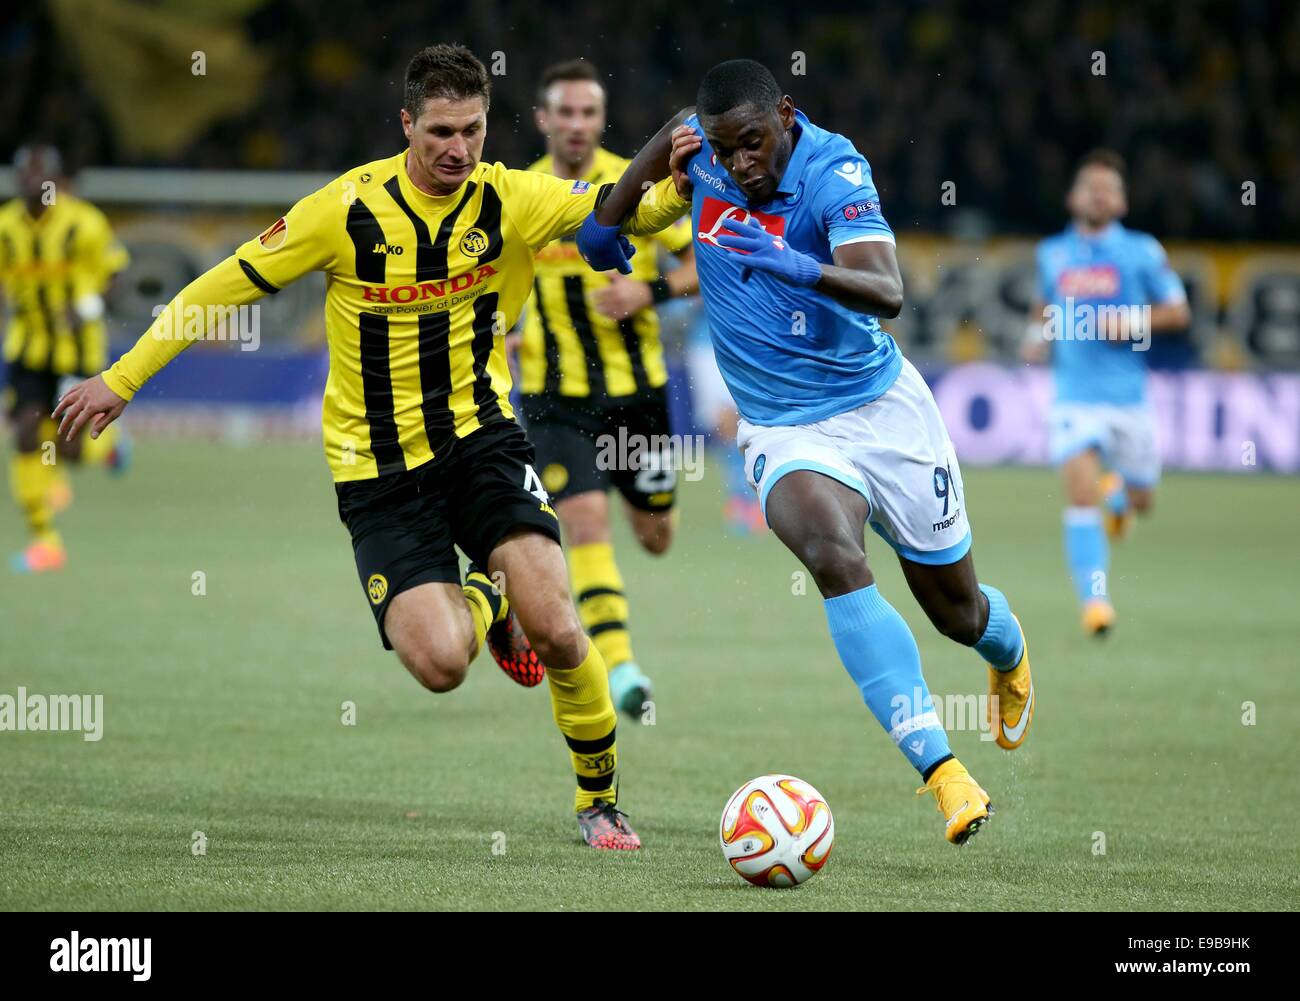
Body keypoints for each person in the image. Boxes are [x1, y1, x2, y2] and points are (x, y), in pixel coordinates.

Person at [54, 44, 683, 851]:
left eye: (475, 131)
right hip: (378, 472)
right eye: (441, 133)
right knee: (440, 663)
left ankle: (598, 799)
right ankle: (489, 602)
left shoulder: (513, 198)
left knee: (559, 627)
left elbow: (625, 210)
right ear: (407, 125)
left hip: (482, 440)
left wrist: (678, 179)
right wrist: (123, 378)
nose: (459, 150)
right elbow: (222, 284)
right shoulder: (344, 210)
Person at [576, 59, 1034, 845]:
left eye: (753, 142)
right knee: (831, 551)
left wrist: (801, 266)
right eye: (725, 149)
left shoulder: (835, 168)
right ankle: (944, 774)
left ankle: (1009, 647)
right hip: (781, 425)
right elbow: (665, 139)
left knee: (955, 611)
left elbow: (887, 289)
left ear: (785, 114)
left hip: (881, 410)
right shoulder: (708, 162)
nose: (741, 164)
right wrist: (609, 217)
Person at [517, 59, 698, 716]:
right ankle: (621, 670)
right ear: (543, 120)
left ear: (601, 120)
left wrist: (646, 292)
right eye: (563, 112)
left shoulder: (638, 183)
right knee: (584, 519)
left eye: (587, 113)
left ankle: (641, 516)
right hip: (553, 396)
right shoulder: (520, 192)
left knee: (656, 535)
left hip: (636, 398)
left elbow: (703, 262)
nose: (575, 125)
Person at [1023, 150, 1190, 636]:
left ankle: (1119, 498)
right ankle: (1095, 603)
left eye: (1107, 189)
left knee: (1143, 500)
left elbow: (1179, 312)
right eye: (1088, 187)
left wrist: (1135, 321)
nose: (1097, 195)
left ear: (1122, 201)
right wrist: (1035, 338)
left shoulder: (1142, 251)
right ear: (1073, 197)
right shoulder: (1051, 253)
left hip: (1129, 399)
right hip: (1074, 396)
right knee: (1078, 495)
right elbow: (1042, 308)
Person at [2, 144, 131, 572]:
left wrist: (86, 308)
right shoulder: (6, 228)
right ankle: (46, 542)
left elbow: (116, 275)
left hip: (75, 350)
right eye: (25, 174)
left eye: (40, 175)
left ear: (55, 182)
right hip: (28, 346)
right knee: (23, 432)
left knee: (68, 448)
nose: (31, 182)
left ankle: (108, 447)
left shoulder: (84, 222)